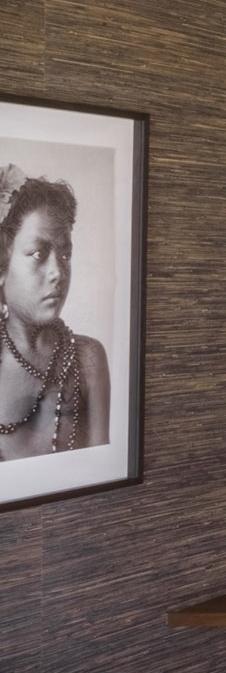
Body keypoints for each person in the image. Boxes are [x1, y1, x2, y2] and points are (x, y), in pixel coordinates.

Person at [0, 166, 109, 458]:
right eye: (38, 254)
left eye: (65, 254)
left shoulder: (87, 359)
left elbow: (101, 471)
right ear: (1, 266)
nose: (58, 272)